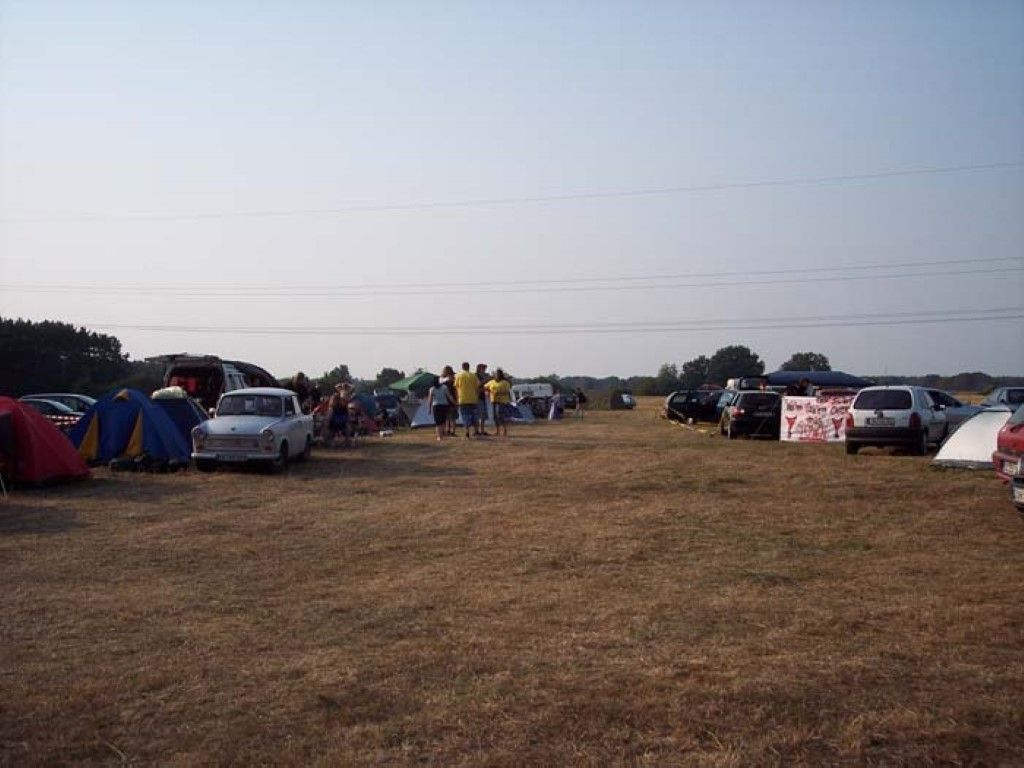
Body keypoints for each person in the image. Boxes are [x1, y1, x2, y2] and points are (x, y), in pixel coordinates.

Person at [453, 362, 479, 439]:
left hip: (462, 399)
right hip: (473, 399)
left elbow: (456, 387)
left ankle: (467, 432)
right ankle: (475, 431)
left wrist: (456, 398)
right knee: (474, 416)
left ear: (462, 367)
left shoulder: (458, 375)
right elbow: (477, 387)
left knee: (465, 416)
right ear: (468, 367)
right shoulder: (473, 375)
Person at [485, 368, 513, 438]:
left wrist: (499, 393)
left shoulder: (505, 383)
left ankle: (504, 430)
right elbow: (485, 387)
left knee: (499, 414)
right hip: (494, 400)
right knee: (495, 416)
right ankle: (497, 430)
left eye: (498, 374)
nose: (496, 375)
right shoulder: (491, 382)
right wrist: (488, 392)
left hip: (502, 401)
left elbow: (507, 391)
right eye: (496, 374)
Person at [427, 376, 453, 442]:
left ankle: (439, 436)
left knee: (438, 423)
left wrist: (429, 408)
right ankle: (442, 434)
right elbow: (449, 396)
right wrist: (454, 402)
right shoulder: (444, 387)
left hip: (436, 406)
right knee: (443, 421)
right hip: (444, 405)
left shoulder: (432, 389)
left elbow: (430, 400)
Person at [327, 384, 351, 448]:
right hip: (336, 421)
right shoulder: (335, 404)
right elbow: (330, 413)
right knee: (333, 429)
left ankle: (346, 441)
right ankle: (333, 442)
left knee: (347, 427)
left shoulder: (344, 406)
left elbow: (347, 414)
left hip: (340, 421)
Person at [439, 365, 458, 436]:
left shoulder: (442, 381)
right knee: (452, 417)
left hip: (445, 400)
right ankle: (451, 431)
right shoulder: (452, 380)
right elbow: (455, 391)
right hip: (451, 400)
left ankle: (448, 430)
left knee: (447, 417)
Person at [475, 363, 491, 436]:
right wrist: (486, 382)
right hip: (477, 398)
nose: (484, 370)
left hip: (482, 398)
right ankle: (476, 430)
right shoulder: (475, 376)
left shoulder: (482, 376)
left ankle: (482, 430)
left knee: (483, 416)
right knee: (478, 415)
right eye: (483, 369)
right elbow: (477, 388)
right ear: (479, 369)